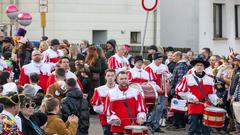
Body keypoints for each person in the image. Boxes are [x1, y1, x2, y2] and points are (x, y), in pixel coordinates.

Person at [176, 57, 222, 135]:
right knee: (192, 129)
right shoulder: (187, 78)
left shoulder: (210, 79)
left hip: (206, 106)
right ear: (194, 66)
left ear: (204, 67)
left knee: (206, 130)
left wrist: (216, 99)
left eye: (201, 65)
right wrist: (192, 98)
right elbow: (180, 91)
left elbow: (212, 94)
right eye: (197, 65)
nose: (199, 67)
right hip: (193, 106)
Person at [145, 52, 171, 133]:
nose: (161, 61)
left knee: (160, 109)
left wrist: (166, 74)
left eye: (161, 59)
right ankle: (150, 122)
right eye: (159, 59)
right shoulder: (149, 67)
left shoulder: (164, 66)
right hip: (153, 91)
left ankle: (156, 125)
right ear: (154, 59)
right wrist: (157, 88)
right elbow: (148, 80)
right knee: (155, 108)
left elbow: (170, 76)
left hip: (163, 90)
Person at [91, 69, 118, 135]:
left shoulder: (120, 89)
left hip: (118, 119)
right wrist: (108, 112)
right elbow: (96, 107)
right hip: (105, 119)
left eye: (112, 75)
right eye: (108, 75)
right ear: (105, 77)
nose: (110, 77)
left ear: (115, 76)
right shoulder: (99, 90)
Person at [168, 51, 189, 130]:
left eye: (174, 56)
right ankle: (179, 124)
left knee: (178, 107)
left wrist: (177, 89)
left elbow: (181, 79)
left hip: (179, 90)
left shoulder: (181, 66)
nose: (173, 58)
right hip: (178, 89)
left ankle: (177, 125)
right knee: (178, 107)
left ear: (178, 57)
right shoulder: (180, 65)